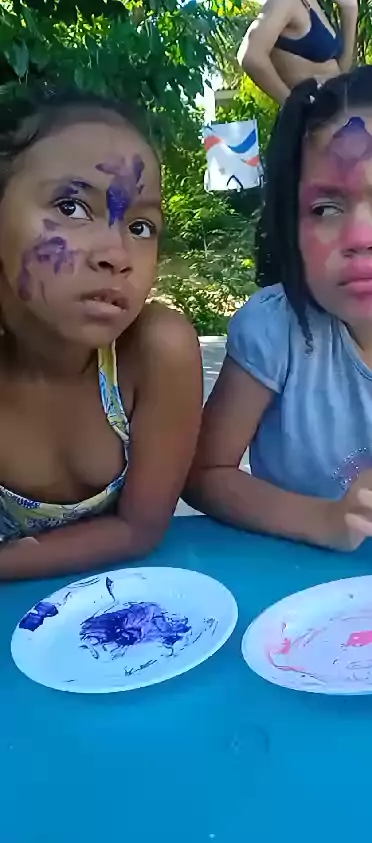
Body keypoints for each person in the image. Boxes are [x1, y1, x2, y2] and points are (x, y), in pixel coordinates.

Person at [185, 47, 372, 570]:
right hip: (291, 582)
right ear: (292, 227)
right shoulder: (274, 330)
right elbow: (204, 474)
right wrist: (325, 520)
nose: (360, 237)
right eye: (325, 208)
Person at [0, 86, 203, 579]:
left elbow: (140, 528)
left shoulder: (154, 354)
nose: (116, 254)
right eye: (71, 207)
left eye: (141, 227)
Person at [237, 0, 357, 106]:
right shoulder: (285, 3)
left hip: (335, 109)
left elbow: (342, 70)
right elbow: (251, 57)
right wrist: (294, 106)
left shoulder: (313, 3)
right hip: (313, 118)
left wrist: (350, 8)